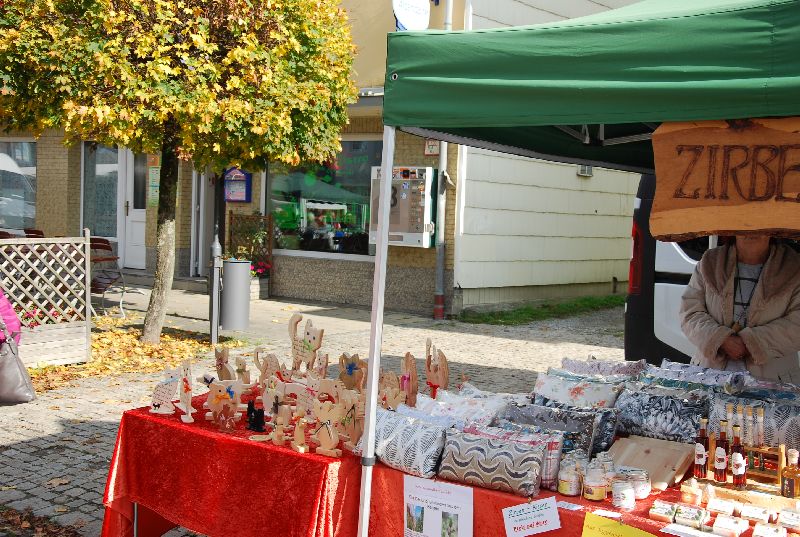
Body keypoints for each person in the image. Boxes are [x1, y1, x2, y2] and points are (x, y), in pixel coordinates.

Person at [680, 235, 800, 383]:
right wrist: (721, 339)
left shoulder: (793, 267)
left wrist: (753, 342)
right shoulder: (710, 262)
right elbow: (689, 313)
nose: (750, 230)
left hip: (773, 382)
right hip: (710, 377)